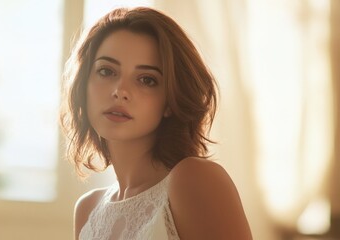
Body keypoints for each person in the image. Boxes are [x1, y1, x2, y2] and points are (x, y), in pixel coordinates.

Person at [61, 7, 252, 240]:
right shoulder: (87, 210)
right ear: (84, 85)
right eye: (106, 71)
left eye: (147, 80)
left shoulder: (196, 179)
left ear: (171, 101)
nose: (120, 91)